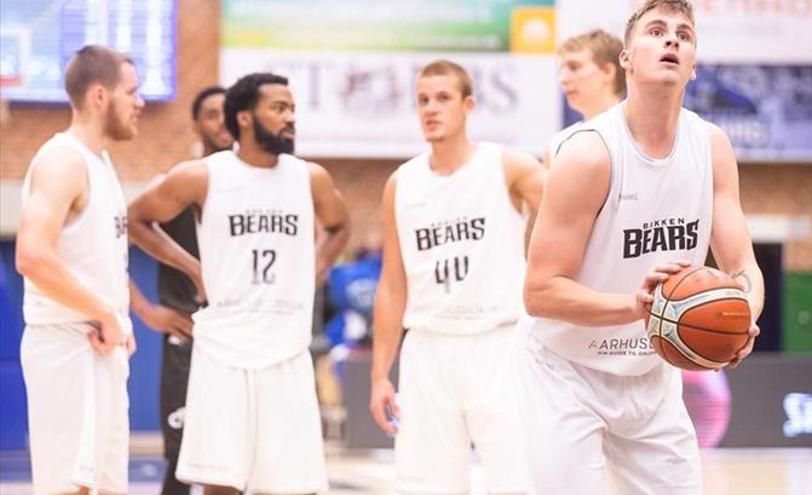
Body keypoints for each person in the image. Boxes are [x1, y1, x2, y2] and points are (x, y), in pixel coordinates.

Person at [519, 1, 764, 493]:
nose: (672, 39)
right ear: (626, 58)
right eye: (656, 31)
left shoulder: (712, 146)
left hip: (651, 370)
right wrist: (636, 306)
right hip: (566, 369)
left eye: (684, 35)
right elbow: (540, 292)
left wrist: (744, 317)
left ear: (693, 66)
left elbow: (744, 268)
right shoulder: (589, 153)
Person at [127, 72, 350, 495]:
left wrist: (312, 271)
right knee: (220, 482)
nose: (290, 117)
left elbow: (339, 226)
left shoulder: (309, 177)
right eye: (278, 108)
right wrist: (194, 269)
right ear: (245, 118)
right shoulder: (203, 175)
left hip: (285, 347)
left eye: (292, 109)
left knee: (292, 486)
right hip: (223, 348)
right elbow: (136, 219)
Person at [369, 59, 545, 494]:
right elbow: (392, 284)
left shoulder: (507, 166)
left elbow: (577, 215)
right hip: (428, 347)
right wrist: (379, 375)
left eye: (443, 98)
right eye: (423, 100)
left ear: (468, 105)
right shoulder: (401, 183)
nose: (431, 108)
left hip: (499, 342)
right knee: (426, 487)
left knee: (520, 482)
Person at [15, 44, 144, 495]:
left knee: (105, 489)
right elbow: (31, 256)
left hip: (101, 346)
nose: (140, 103)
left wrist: (118, 318)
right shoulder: (62, 160)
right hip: (66, 346)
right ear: (99, 96)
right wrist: (105, 313)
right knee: (70, 489)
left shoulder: (100, 163)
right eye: (132, 92)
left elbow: (98, 261)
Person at [130, 86, 234, 495]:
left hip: (239, 339)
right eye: (211, 114)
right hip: (187, 338)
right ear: (196, 123)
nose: (221, 122)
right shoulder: (174, 184)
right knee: (181, 461)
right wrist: (145, 309)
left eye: (227, 112)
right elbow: (113, 240)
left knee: (235, 462)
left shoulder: (255, 188)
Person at [546, 29, 625, 165]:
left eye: (574, 67)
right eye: (562, 69)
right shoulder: (560, 143)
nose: (563, 79)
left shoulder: (640, 136)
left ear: (608, 71)